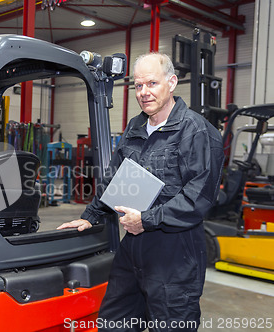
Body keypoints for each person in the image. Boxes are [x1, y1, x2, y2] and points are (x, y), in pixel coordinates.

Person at [58, 52, 224, 331]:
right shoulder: (136, 127)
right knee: (114, 323)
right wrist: (91, 216)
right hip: (133, 248)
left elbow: (199, 197)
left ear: (171, 83)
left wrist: (146, 220)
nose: (144, 92)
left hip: (175, 251)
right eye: (138, 85)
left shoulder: (195, 131)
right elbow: (116, 178)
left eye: (152, 83)